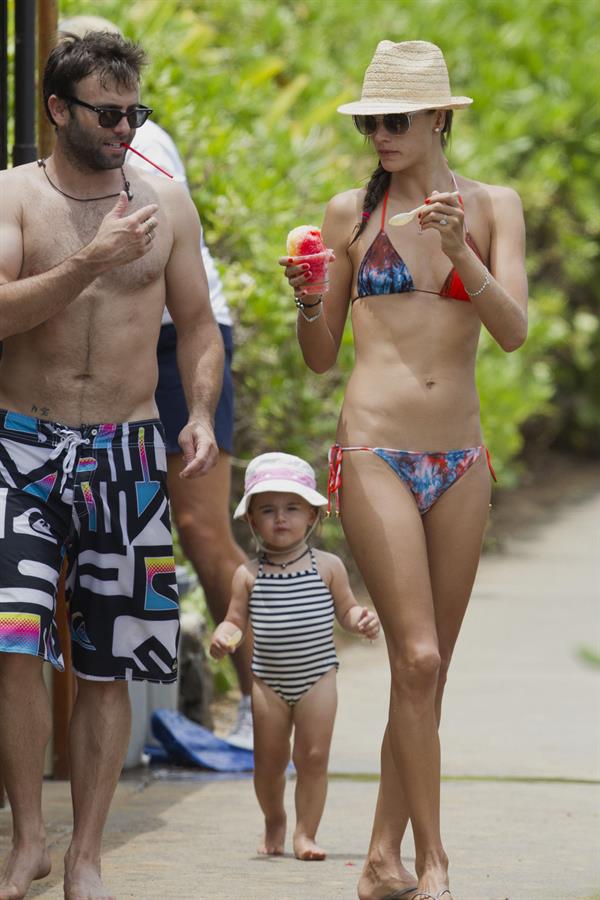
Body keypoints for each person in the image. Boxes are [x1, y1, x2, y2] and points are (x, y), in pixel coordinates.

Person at [279, 40, 527, 900]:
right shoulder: (351, 211)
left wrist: (463, 253)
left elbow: (515, 330)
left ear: (437, 120)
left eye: (396, 120)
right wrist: (310, 296)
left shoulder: (494, 208)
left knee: (428, 673)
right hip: (375, 446)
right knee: (415, 659)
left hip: (461, 457)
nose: (381, 133)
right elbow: (319, 357)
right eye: (371, 121)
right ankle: (434, 861)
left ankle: (381, 860)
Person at [0, 31, 223, 900]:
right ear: (58, 110)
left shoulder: (167, 204)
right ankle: (29, 838)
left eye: (135, 110)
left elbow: (199, 327)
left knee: (108, 660)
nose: (124, 125)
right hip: (20, 441)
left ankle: (86, 853)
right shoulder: (16, 197)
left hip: (129, 451)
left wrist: (198, 412)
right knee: (12, 637)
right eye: (107, 111)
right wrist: (89, 261)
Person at [59, 14, 253, 750]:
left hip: (178, 329)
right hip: (101, 339)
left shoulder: (134, 138)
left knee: (203, 526)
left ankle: (273, 707)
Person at [210, 452, 380, 861]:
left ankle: (306, 833)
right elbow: (235, 621)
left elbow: (346, 609)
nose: (280, 518)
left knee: (314, 757)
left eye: (292, 508)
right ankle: (274, 819)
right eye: (267, 510)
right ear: (251, 520)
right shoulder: (247, 574)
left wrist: (361, 620)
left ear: (312, 516)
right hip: (268, 681)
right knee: (268, 762)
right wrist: (223, 637)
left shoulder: (328, 567)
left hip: (318, 676)